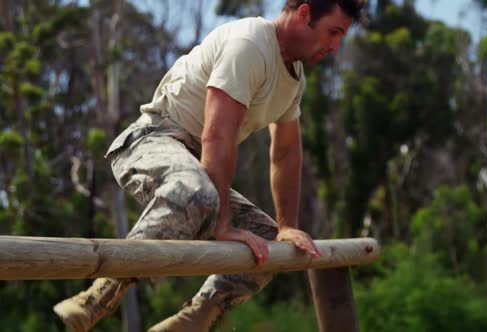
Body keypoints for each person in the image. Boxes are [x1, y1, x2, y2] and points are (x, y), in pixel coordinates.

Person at [53, 0, 366, 331]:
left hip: (195, 166)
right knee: (197, 191)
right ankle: (96, 298)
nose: (335, 46)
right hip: (151, 140)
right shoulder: (251, 44)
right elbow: (218, 135)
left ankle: (190, 322)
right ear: (304, 14)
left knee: (270, 241)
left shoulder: (294, 79)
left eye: (341, 37)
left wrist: (287, 225)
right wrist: (223, 223)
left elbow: (286, 152)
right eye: (333, 32)